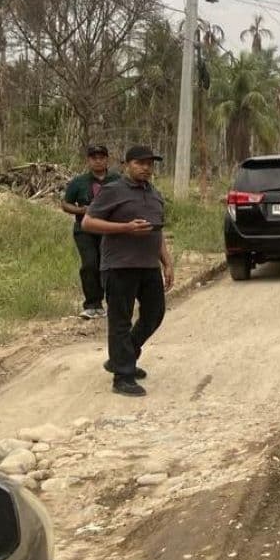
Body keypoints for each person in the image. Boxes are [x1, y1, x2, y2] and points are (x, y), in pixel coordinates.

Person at [83, 146, 175, 397]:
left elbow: (158, 232)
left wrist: (167, 262)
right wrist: (125, 227)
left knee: (155, 314)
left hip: (148, 265)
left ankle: (123, 356)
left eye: (150, 164)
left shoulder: (154, 194)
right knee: (120, 320)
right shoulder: (112, 190)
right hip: (119, 266)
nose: (146, 167)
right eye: (140, 163)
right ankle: (123, 375)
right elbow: (88, 222)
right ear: (126, 165)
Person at [61, 145, 121, 319]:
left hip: (108, 229)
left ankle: (113, 303)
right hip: (84, 229)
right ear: (88, 160)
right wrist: (81, 211)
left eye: (101, 157)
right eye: (94, 157)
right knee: (89, 264)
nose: (98, 160)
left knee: (108, 266)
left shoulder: (117, 180)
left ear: (107, 159)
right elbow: (65, 204)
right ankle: (92, 304)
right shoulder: (78, 182)